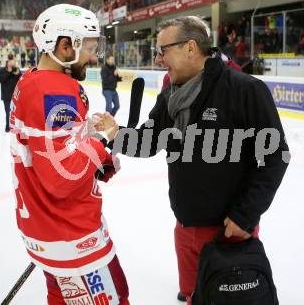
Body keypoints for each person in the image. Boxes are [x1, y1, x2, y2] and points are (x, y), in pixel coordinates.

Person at [95, 16, 289, 303]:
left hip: (229, 230)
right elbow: (151, 141)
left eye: (163, 50)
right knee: (193, 296)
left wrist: (244, 216)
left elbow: (274, 157)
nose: (159, 59)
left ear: (190, 47)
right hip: (185, 228)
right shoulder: (171, 95)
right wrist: (116, 133)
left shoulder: (244, 89)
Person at [8, 4, 129, 304]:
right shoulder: (55, 91)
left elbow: (50, 152)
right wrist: (100, 143)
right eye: (89, 47)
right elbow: (62, 178)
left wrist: (89, 141)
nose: (94, 55)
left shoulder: (30, 80)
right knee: (118, 296)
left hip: (47, 230)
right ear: (65, 46)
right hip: (73, 237)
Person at [0, 54, 21, 132]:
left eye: (12, 62)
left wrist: (18, 74)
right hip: (6, 96)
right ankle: (8, 127)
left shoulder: (16, 70)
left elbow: (21, 80)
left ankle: (16, 127)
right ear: (7, 63)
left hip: (15, 96)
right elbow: (1, 80)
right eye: (10, 62)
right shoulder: (2, 70)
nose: (11, 63)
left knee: (16, 113)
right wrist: (9, 72)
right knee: (8, 112)